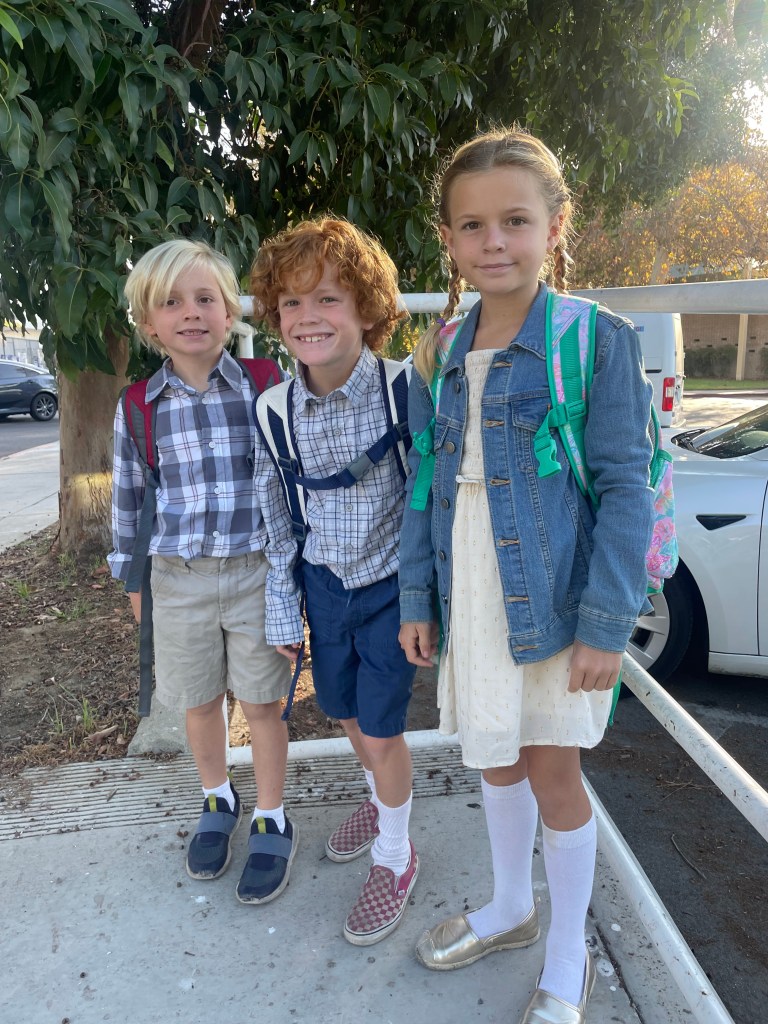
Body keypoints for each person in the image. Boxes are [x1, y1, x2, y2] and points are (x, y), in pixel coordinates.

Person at [398, 129, 654, 1023]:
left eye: (515, 220)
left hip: (554, 595)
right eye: (472, 226)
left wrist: (607, 622)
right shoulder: (438, 350)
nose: (494, 241)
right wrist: (419, 598)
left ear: (555, 224)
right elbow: (426, 484)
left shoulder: (593, 340)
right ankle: (511, 906)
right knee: (495, 758)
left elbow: (625, 486)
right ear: (449, 239)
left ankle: (568, 956)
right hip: (470, 588)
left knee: (552, 772)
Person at [109, 239, 298, 905]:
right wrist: (134, 585)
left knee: (263, 703)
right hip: (177, 578)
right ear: (148, 323)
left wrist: (293, 579)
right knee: (197, 701)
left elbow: (292, 479)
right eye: (171, 302)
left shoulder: (266, 385)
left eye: (205, 298)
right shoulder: (139, 406)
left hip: (256, 572)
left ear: (229, 311)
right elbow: (129, 501)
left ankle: (272, 814)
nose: (190, 312)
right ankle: (218, 798)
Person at [250, 218, 419, 946]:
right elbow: (277, 519)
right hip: (324, 588)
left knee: (381, 730)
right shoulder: (274, 411)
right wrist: (283, 609)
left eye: (327, 298)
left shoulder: (404, 390)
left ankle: (396, 855)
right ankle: (381, 801)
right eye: (291, 302)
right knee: (346, 714)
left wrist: (425, 601)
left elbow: (430, 502)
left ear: (367, 308)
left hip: (391, 590)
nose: (308, 317)